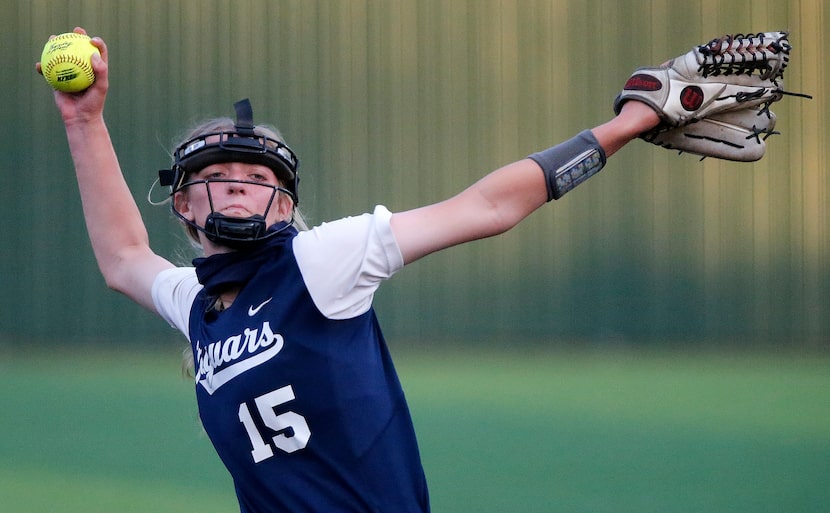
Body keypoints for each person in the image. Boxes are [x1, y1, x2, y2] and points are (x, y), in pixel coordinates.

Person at [39, 27, 660, 513]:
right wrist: (83, 120)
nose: (237, 188)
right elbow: (123, 259)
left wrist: (632, 122)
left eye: (258, 180)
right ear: (181, 202)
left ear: (284, 204)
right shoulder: (196, 303)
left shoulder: (317, 262)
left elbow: (487, 207)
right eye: (214, 177)